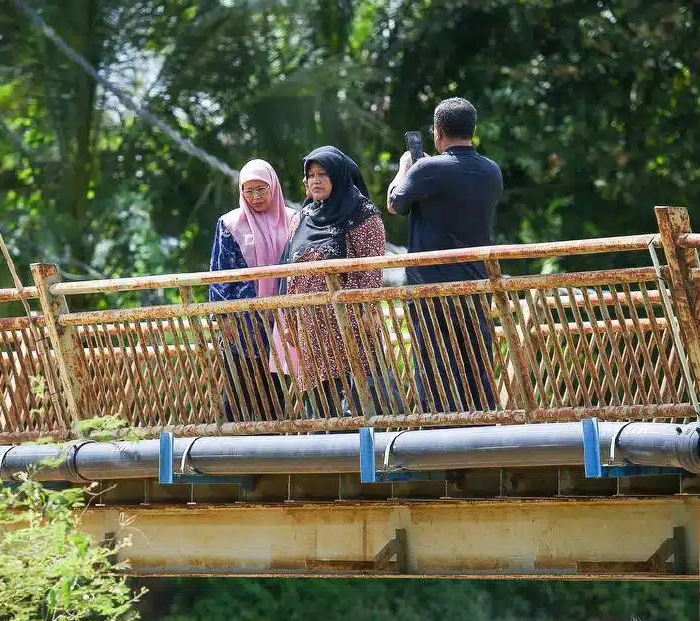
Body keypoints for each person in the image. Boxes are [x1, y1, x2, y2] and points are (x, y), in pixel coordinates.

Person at [387, 97, 504, 414]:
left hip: (432, 286)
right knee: (475, 357)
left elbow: (396, 203)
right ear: (473, 129)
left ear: (438, 131)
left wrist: (405, 168)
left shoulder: (427, 169)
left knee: (434, 362)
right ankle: (481, 421)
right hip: (476, 283)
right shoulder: (491, 171)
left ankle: (439, 427)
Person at [278, 146, 403, 419]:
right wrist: (287, 317)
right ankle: (326, 457)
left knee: (360, 402)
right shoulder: (303, 216)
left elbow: (371, 270)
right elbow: (290, 269)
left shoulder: (361, 213)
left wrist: (364, 312)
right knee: (320, 406)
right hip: (310, 328)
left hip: (350, 325)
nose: (315, 180)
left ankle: (369, 455)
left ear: (338, 175)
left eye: (323, 173)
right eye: (310, 174)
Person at [208, 159, 295, 422]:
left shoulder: (294, 221)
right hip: (242, 323)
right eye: (249, 190)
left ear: (274, 188)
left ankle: (270, 452)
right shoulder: (229, 223)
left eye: (261, 189)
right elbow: (219, 275)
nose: (255, 197)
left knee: (277, 386)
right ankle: (230, 453)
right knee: (239, 386)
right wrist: (223, 318)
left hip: (282, 321)